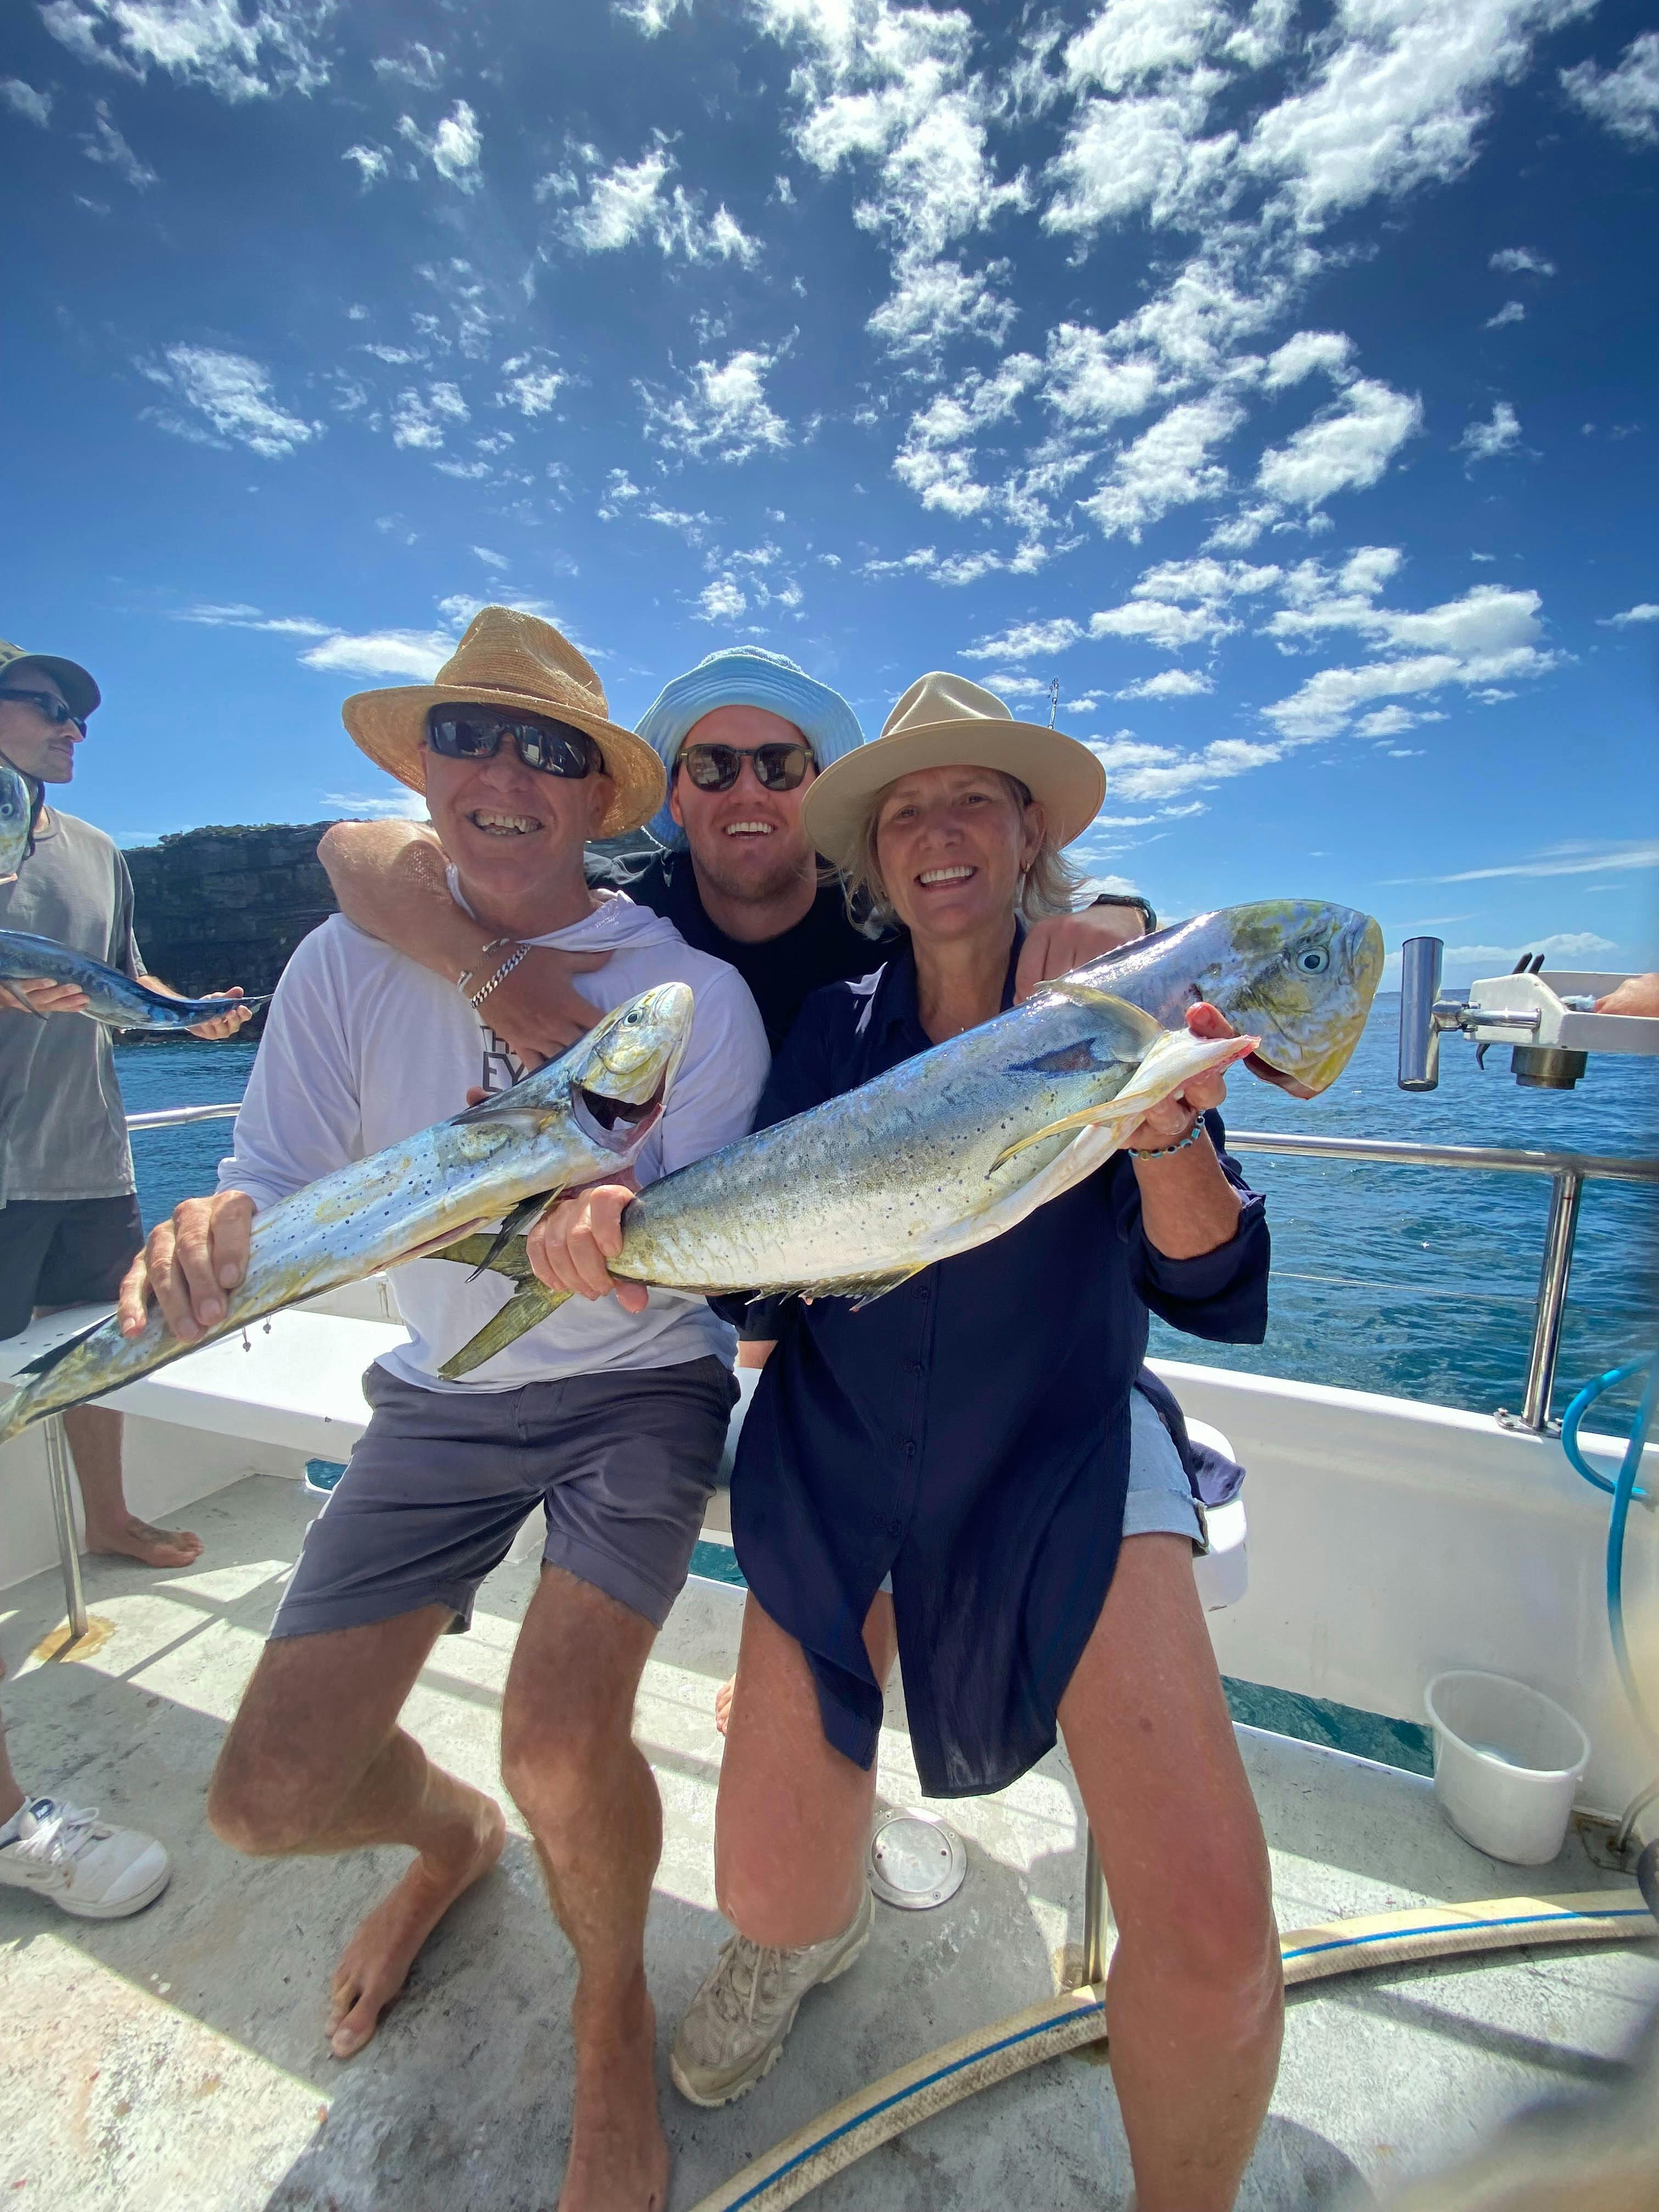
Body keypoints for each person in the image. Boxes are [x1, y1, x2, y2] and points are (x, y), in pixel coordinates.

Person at [531, 672, 1283, 2212]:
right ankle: (816, 1910)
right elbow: (756, 1261)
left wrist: (1168, 1132)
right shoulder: (830, 1028)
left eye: (975, 802)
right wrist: (624, 1226)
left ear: (1028, 841)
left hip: (1057, 1446)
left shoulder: (1126, 1010)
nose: (940, 831)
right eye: (908, 810)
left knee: (1212, 1939)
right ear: (878, 857)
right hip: (844, 1448)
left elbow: (1212, 1282)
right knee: (770, 1895)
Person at [119, 607, 769, 2212]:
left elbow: (700, 1263)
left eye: (553, 750)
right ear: (423, 768)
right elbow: (269, 1177)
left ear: (597, 798)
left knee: (562, 1738)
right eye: (471, 736)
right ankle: (447, 1837)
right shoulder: (343, 960)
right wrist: (208, 1232)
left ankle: (609, 2008)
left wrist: (617, 1247)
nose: (507, 773)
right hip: (440, 1393)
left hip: (633, 1384)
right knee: (263, 1802)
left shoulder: (693, 1000)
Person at [0, 639, 251, 1572]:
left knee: (100, 1345)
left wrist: (189, 1019)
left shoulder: (99, 851)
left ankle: (107, 1515)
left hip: (89, 1157)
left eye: (80, 717)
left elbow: (123, 980)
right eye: (45, 706)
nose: (72, 729)